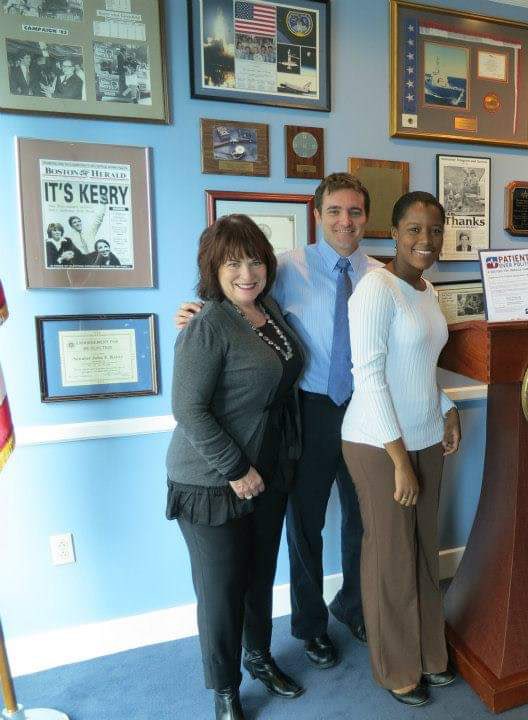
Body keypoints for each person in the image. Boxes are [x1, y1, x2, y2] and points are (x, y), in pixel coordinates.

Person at [176, 173, 373, 670]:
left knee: (363, 518)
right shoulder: (284, 268)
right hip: (308, 412)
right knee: (305, 526)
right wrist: (196, 314)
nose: (345, 221)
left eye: (354, 211)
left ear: (366, 218)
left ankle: (354, 606)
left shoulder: (378, 275)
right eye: (334, 211)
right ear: (318, 215)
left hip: (365, 410)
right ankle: (310, 626)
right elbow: (234, 302)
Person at [166, 215, 305, 720]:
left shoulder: (268, 311)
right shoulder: (207, 324)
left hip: (269, 469)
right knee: (221, 590)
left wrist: (265, 465)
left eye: (255, 261)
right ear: (213, 269)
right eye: (232, 264)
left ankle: (259, 657)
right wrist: (235, 469)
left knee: (259, 575)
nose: (247, 273)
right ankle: (225, 689)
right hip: (212, 478)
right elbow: (188, 410)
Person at [341, 192, 460, 708]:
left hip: (426, 435)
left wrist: (447, 407)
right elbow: (369, 378)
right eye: (414, 229)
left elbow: (420, 366)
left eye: (434, 230)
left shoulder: (427, 290)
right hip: (377, 444)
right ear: (393, 233)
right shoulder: (375, 289)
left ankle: (430, 654)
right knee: (391, 556)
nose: (425, 240)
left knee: (424, 552)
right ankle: (397, 669)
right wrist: (398, 461)